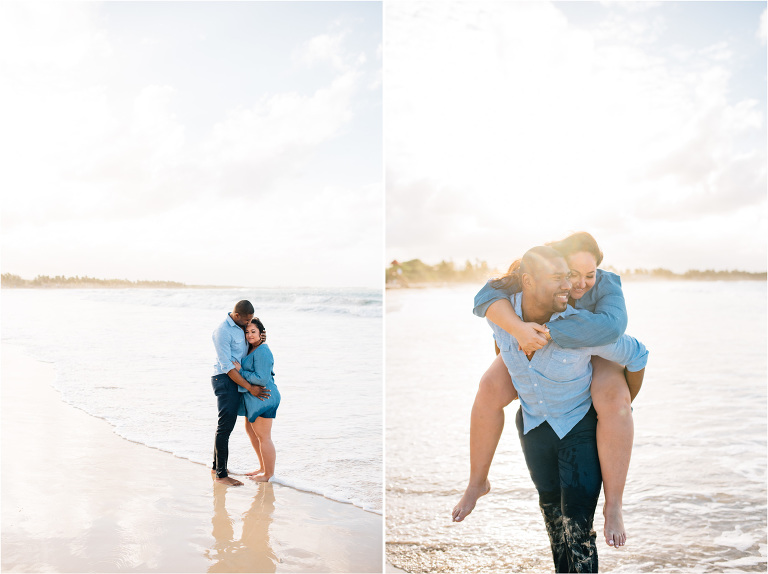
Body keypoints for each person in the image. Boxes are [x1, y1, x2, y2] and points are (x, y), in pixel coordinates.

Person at [453, 232, 639, 548]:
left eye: (589, 274)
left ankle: (614, 505)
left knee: (613, 398)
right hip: (541, 340)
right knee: (488, 387)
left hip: (588, 339)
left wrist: (551, 332)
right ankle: (477, 482)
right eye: (570, 273)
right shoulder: (538, 275)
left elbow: (612, 329)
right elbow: (485, 296)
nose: (579, 283)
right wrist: (518, 328)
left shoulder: (606, 285)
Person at [211, 300, 270, 486]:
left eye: (251, 320)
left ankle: (216, 467)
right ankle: (221, 475)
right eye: (246, 321)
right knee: (225, 427)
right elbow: (227, 366)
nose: (248, 324)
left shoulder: (240, 325)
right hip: (225, 378)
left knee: (226, 426)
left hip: (235, 379)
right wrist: (251, 387)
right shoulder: (222, 332)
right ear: (237, 316)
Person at [233, 317, 281, 482]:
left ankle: (269, 475)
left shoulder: (263, 351)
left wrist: (240, 371)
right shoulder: (252, 349)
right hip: (253, 399)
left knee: (263, 436)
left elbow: (261, 379)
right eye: (247, 332)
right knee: (252, 433)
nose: (249, 335)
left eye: (253, 331)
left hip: (264, 397)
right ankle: (262, 467)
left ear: (262, 333)